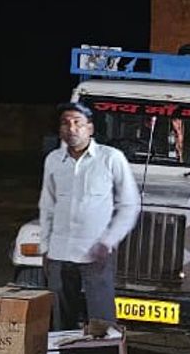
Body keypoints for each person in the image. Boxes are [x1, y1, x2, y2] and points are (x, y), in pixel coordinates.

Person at [37, 101, 141, 330]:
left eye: (78, 123)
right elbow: (47, 205)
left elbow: (129, 205)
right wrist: (45, 247)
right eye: (65, 123)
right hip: (59, 253)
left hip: (95, 253)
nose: (71, 129)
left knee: (101, 320)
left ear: (90, 128)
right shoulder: (53, 160)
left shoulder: (111, 158)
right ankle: (63, 353)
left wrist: (107, 242)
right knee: (60, 320)